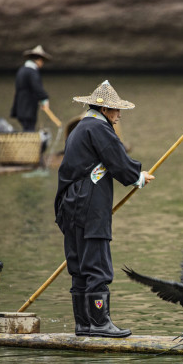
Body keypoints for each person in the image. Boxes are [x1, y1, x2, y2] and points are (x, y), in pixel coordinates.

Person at [54, 80, 154, 338]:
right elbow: (117, 159)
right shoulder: (99, 128)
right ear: (104, 109)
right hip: (88, 203)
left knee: (79, 265)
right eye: (116, 109)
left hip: (70, 204)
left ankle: (84, 324)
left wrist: (133, 174)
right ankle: (100, 324)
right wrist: (138, 177)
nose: (119, 114)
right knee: (96, 264)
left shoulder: (79, 128)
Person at [10, 45, 51, 131]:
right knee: (29, 130)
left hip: (20, 108)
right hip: (28, 109)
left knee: (26, 129)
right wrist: (45, 99)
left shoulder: (21, 70)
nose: (42, 64)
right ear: (39, 60)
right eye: (42, 61)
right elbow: (37, 88)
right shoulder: (32, 72)